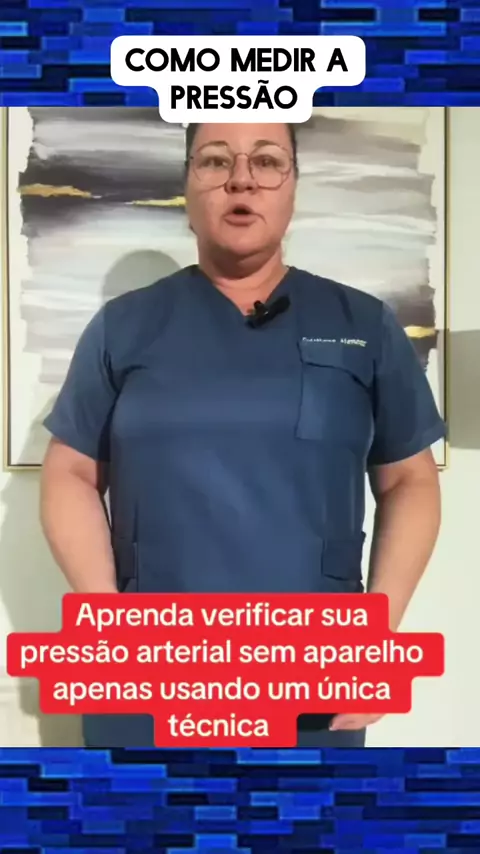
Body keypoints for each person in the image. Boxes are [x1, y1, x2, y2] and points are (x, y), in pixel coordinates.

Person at [40, 122, 445, 748]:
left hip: (312, 672)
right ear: (187, 186)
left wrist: (376, 640)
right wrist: (107, 622)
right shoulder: (124, 326)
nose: (241, 179)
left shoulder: (364, 325)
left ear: (294, 186)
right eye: (214, 160)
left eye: (267, 161)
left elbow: (409, 480)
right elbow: (69, 472)